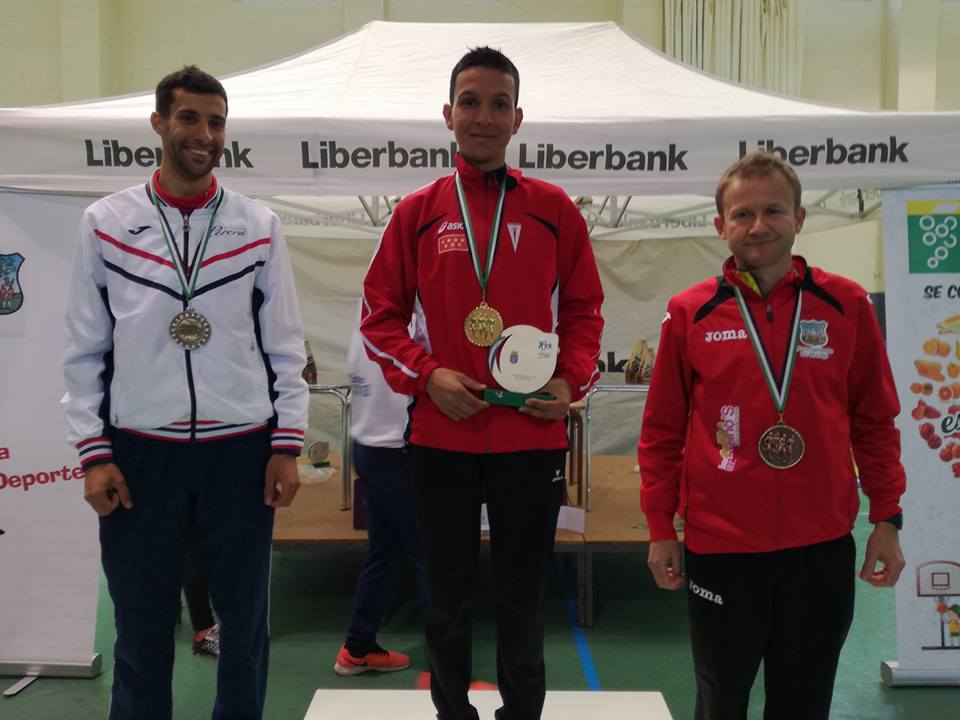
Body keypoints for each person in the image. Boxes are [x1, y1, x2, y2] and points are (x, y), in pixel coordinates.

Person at [360, 47, 604, 720]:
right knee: (446, 595)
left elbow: (585, 311)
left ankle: (522, 713)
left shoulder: (554, 209)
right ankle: (453, 713)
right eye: (470, 102)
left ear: (518, 118)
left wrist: (569, 380)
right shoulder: (417, 212)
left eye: (499, 104)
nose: (484, 117)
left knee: (523, 595)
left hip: (531, 434)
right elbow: (378, 316)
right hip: (443, 435)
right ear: (448, 114)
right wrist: (426, 374)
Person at [62, 65, 308, 720]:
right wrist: (93, 454)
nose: (204, 134)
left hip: (242, 451)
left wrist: (286, 445)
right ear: (159, 123)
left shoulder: (258, 225)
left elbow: (286, 346)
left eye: (216, 122)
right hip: (141, 453)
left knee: (244, 629)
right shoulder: (105, 223)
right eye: (189, 118)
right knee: (142, 629)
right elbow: (84, 348)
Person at [638, 150, 907, 720]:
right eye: (742, 214)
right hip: (722, 546)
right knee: (720, 701)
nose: (758, 226)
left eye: (773, 211)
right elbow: (661, 431)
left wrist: (887, 517)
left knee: (804, 703)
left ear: (800, 218)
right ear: (721, 226)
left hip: (819, 546)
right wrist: (661, 527)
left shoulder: (846, 305)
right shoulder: (690, 313)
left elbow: (874, 420)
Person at [333, 314, 428, 676]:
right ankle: (449, 662)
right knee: (429, 552)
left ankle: (357, 649)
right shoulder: (402, 314)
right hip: (393, 448)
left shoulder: (371, 306)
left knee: (386, 552)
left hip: (374, 446)